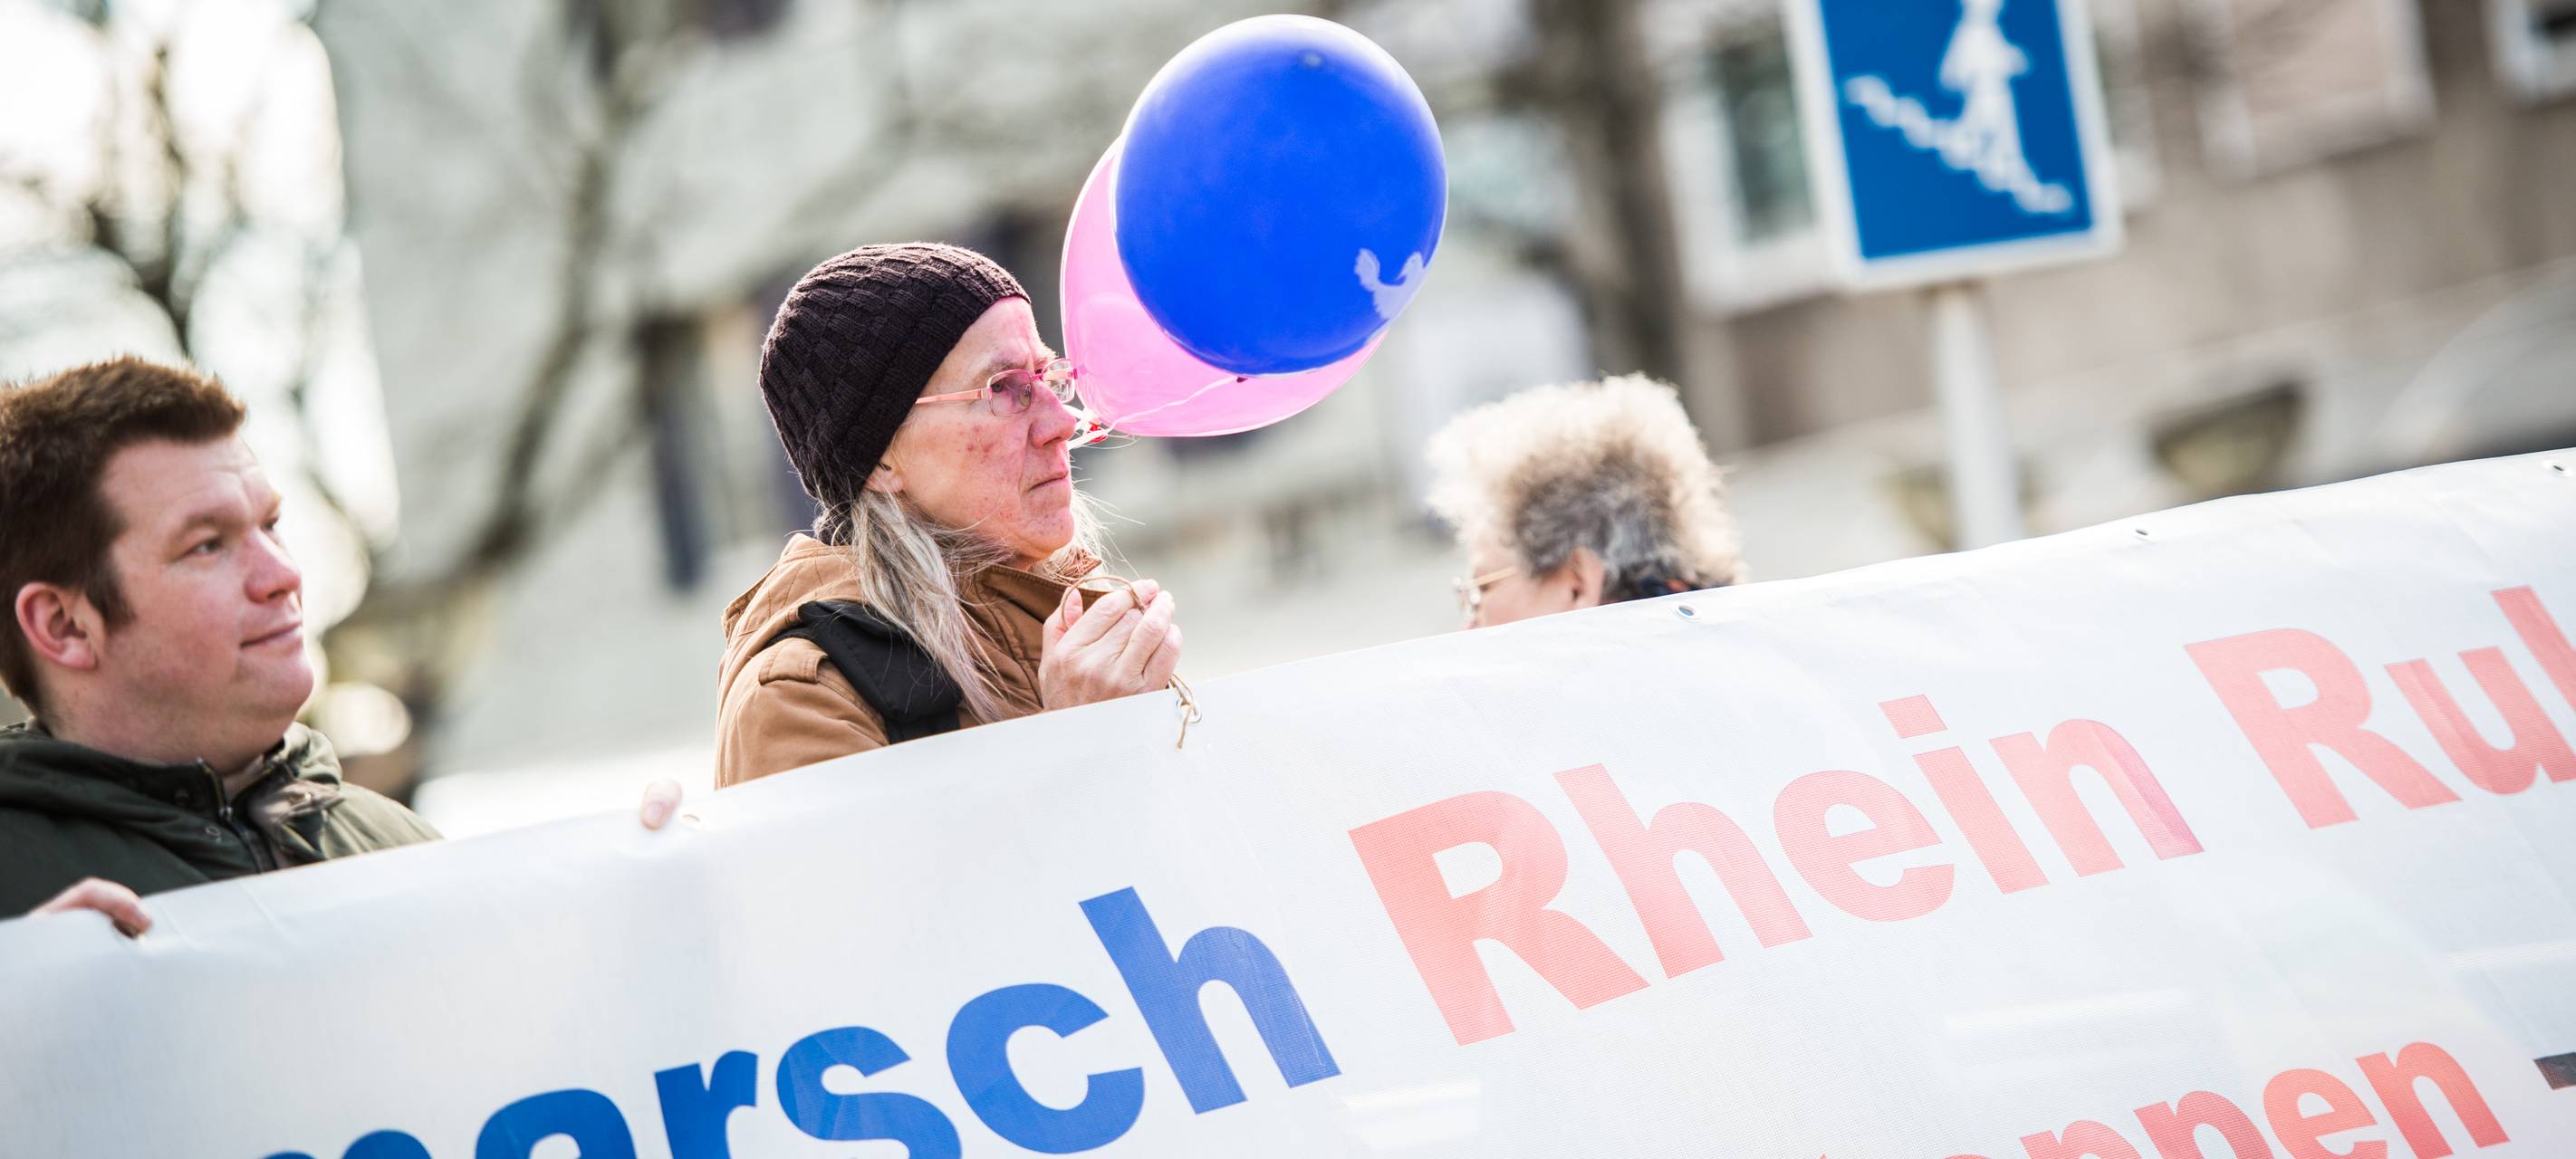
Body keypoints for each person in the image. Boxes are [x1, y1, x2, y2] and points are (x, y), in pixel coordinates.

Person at [0, 359, 683, 935]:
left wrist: (662, 889)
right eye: (207, 545)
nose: (283, 575)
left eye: (271, 525)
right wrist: (36, 1008)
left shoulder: (394, 844)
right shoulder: (21, 911)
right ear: (64, 626)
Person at [716, 243, 1181, 786]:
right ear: (882, 459)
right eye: (1004, 388)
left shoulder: (1067, 613)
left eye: (1046, 376)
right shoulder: (801, 701)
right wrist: (1076, 740)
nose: (1062, 420)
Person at [1426, 374, 1746, 629]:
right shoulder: (1756, 654)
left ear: (1579, 584)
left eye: (1480, 592)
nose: (1468, 628)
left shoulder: (1594, 708)